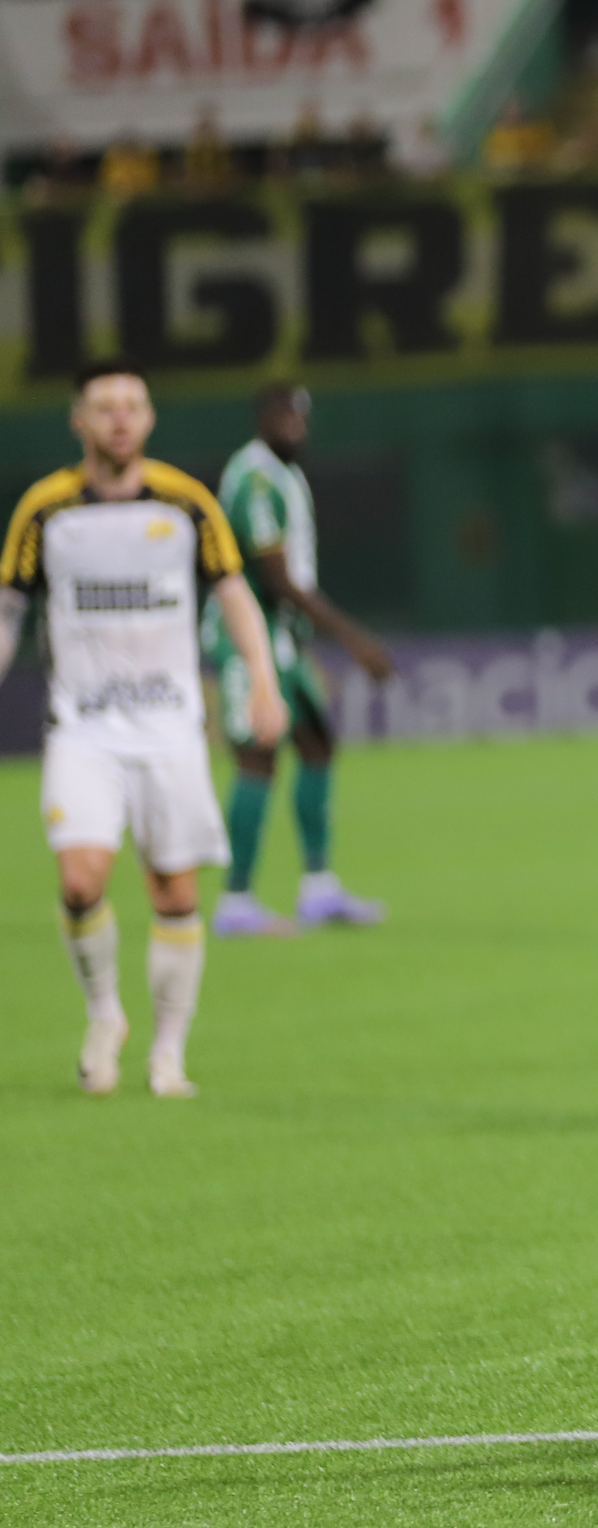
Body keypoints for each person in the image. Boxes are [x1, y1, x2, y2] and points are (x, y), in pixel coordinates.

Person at [3, 364, 286, 1097]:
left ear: (150, 418)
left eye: (131, 406)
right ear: (79, 421)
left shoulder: (187, 504)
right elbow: (8, 613)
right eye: (104, 407)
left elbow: (235, 595)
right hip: (83, 728)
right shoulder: (45, 510)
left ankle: (168, 1053)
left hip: (169, 727)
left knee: (173, 892)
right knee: (79, 878)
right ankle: (105, 1016)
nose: (119, 419)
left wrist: (261, 679)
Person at [206, 384, 393, 938]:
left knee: (316, 744)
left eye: (302, 418)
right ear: (262, 417)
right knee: (258, 755)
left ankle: (318, 889)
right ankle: (236, 900)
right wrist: (353, 638)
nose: (296, 427)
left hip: (282, 640)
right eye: (285, 416)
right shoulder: (257, 479)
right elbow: (279, 581)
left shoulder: (283, 473)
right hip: (247, 639)